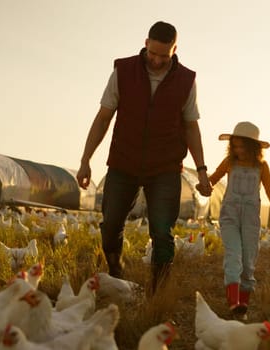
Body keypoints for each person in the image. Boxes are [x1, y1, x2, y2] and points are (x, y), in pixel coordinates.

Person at [76, 21, 212, 295]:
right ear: (146, 43)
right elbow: (104, 118)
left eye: (165, 55)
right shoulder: (123, 71)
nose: (158, 60)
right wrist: (85, 159)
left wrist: (202, 170)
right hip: (123, 163)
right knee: (111, 223)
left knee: (162, 232)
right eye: (154, 53)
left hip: (165, 168)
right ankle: (116, 269)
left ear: (175, 50)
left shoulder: (186, 80)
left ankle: (158, 293)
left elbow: (191, 127)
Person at [208, 121, 270, 319]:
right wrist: (205, 185)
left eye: (242, 146)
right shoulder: (230, 163)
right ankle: (233, 302)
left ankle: (243, 306)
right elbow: (213, 179)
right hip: (229, 214)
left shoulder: (262, 167)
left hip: (250, 218)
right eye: (235, 145)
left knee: (248, 260)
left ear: (252, 147)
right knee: (234, 255)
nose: (238, 150)